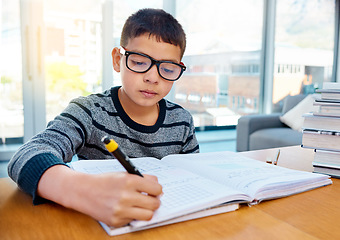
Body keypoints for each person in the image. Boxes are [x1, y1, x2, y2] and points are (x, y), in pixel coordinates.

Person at [8, 8, 199, 227]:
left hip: (168, 224)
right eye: (138, 62)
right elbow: (27, 155)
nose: (153, 77)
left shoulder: (182, 120)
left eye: (167, 68)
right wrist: (82, 190)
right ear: (118, 59)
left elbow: (197, 175)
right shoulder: (90, 111)